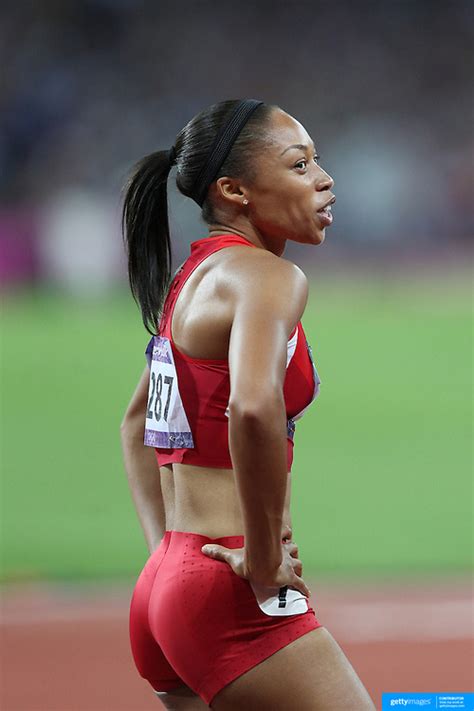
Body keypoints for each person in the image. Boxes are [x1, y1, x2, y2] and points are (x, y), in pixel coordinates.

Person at [120, 99, 376, 710]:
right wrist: (262, 559)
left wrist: (168, 561)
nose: (324, 178)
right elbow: (254, 408)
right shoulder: (267, 277)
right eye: (299, 164)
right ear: (234, 190)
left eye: (318, 160)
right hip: (232, 587)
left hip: (168, 583)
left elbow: (137, 425)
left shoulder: (194, 278)